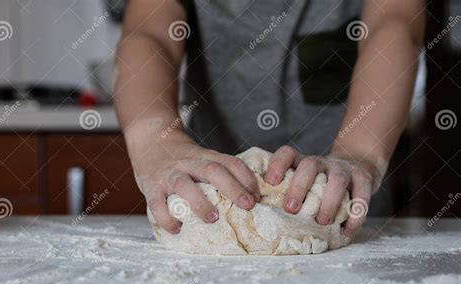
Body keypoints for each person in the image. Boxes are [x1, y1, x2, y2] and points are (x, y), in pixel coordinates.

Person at [113, 0, 425, 236]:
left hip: (345, 203)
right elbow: (151, 32)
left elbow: (394, 23)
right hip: (208, 196)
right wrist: (155, 141)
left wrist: (361, 152)